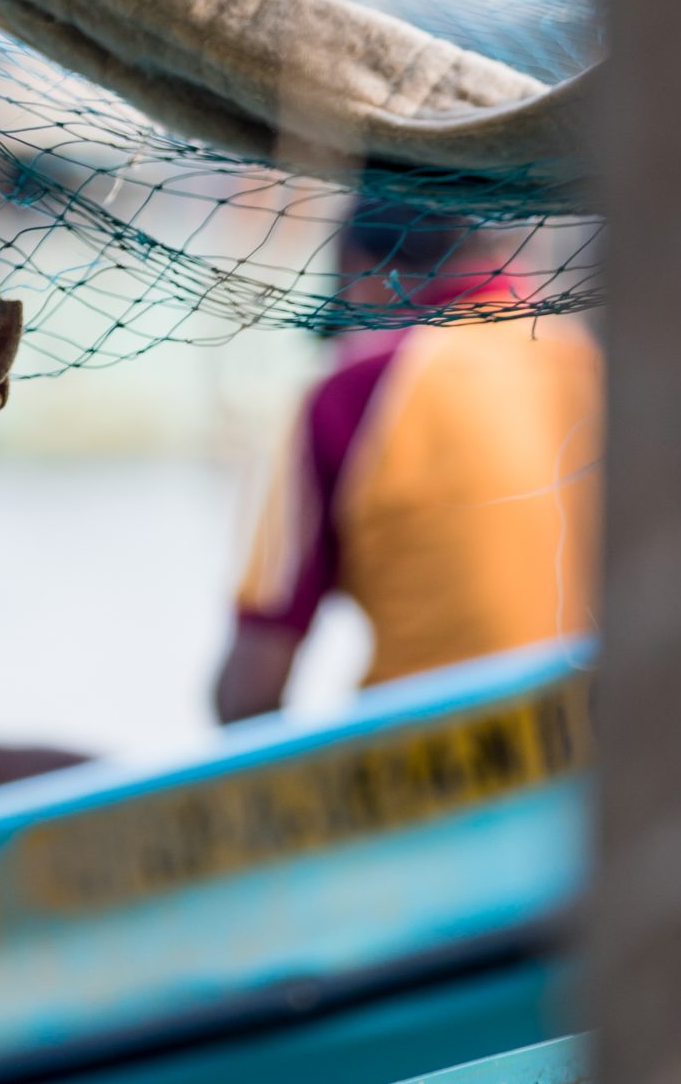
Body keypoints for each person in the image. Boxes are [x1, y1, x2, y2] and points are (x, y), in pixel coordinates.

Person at [215, 198, 604, 723]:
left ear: (362, 274)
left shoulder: (355, 389)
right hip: (604, 734)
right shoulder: (591, 361)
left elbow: (250, 691)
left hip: (439, 762)